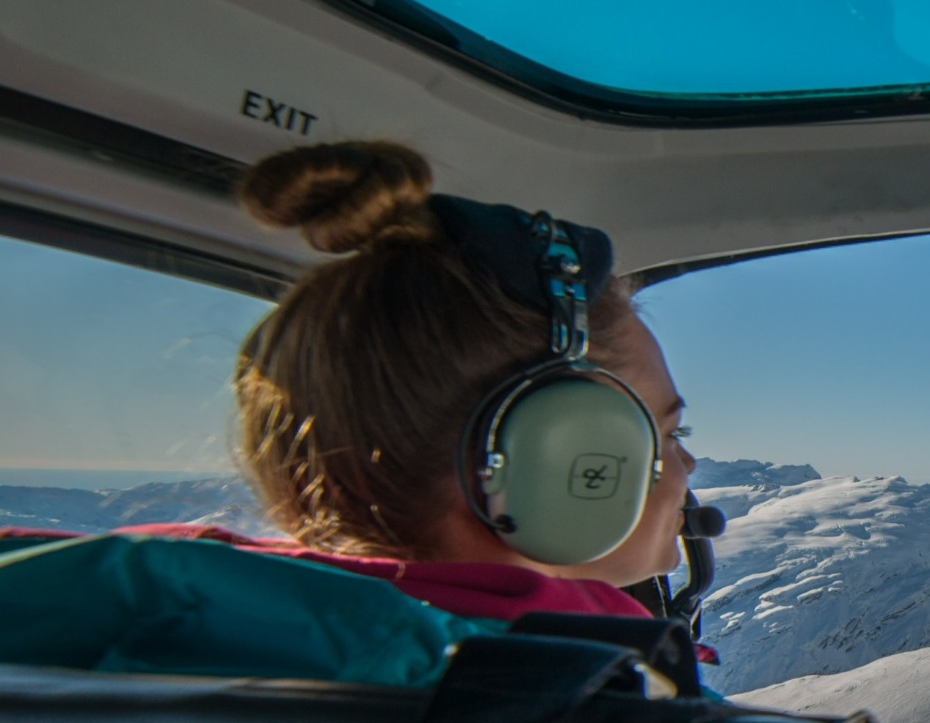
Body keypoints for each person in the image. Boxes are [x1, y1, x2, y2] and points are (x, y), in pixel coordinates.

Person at [222, 139, 697, 622]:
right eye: (668, 434)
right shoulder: (568, 688)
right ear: (555, 466)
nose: (690, 464)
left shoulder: (248, 629)